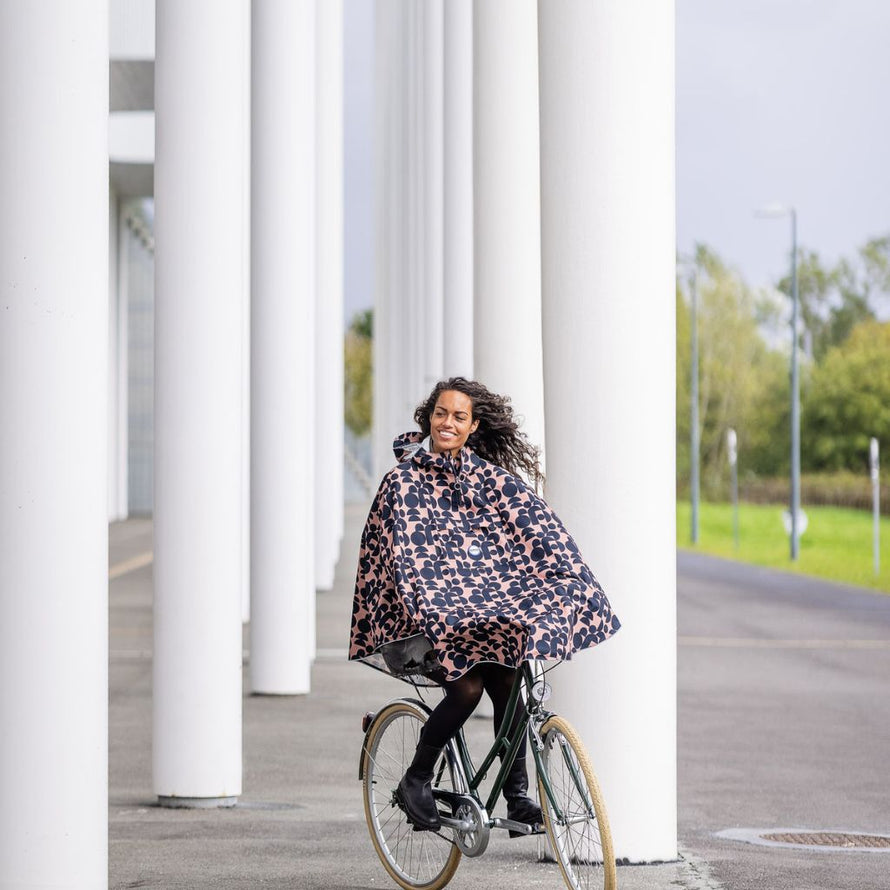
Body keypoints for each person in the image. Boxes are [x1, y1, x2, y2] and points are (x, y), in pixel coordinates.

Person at [349, 377, 620, 832]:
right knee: (467, 689)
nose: (447, 423)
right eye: (440, 414)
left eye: (458, 416)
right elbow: (404, 559)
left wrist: (567, 575)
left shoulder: (488, 479)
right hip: (418, 624)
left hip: (477, 621)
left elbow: (534, 528)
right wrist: (439, 606)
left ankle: (516, 796)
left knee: (511, 683)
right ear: (428, 417)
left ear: (474, 425)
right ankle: (416, 778)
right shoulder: (403, 482)